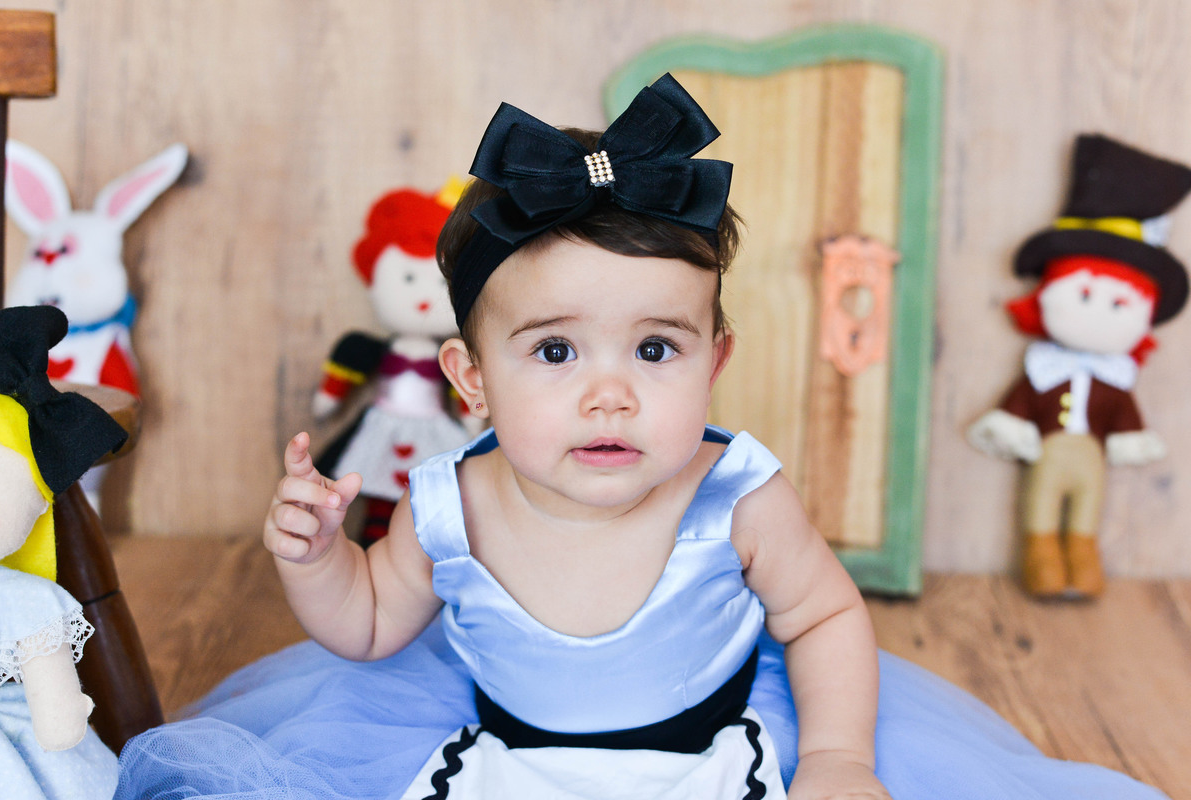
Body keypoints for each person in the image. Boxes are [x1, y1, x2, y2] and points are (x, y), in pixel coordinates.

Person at [114, 75, 1170, 800]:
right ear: (471, 380)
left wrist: (840, 755)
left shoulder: (737, 492)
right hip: (509, 754)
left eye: (656, 351)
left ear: (714, 361)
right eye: (558, 353)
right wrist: (315, 560)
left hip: (716, 748)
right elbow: (373, 624)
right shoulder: (453, 500)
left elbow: (822, 614)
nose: (610, 395)